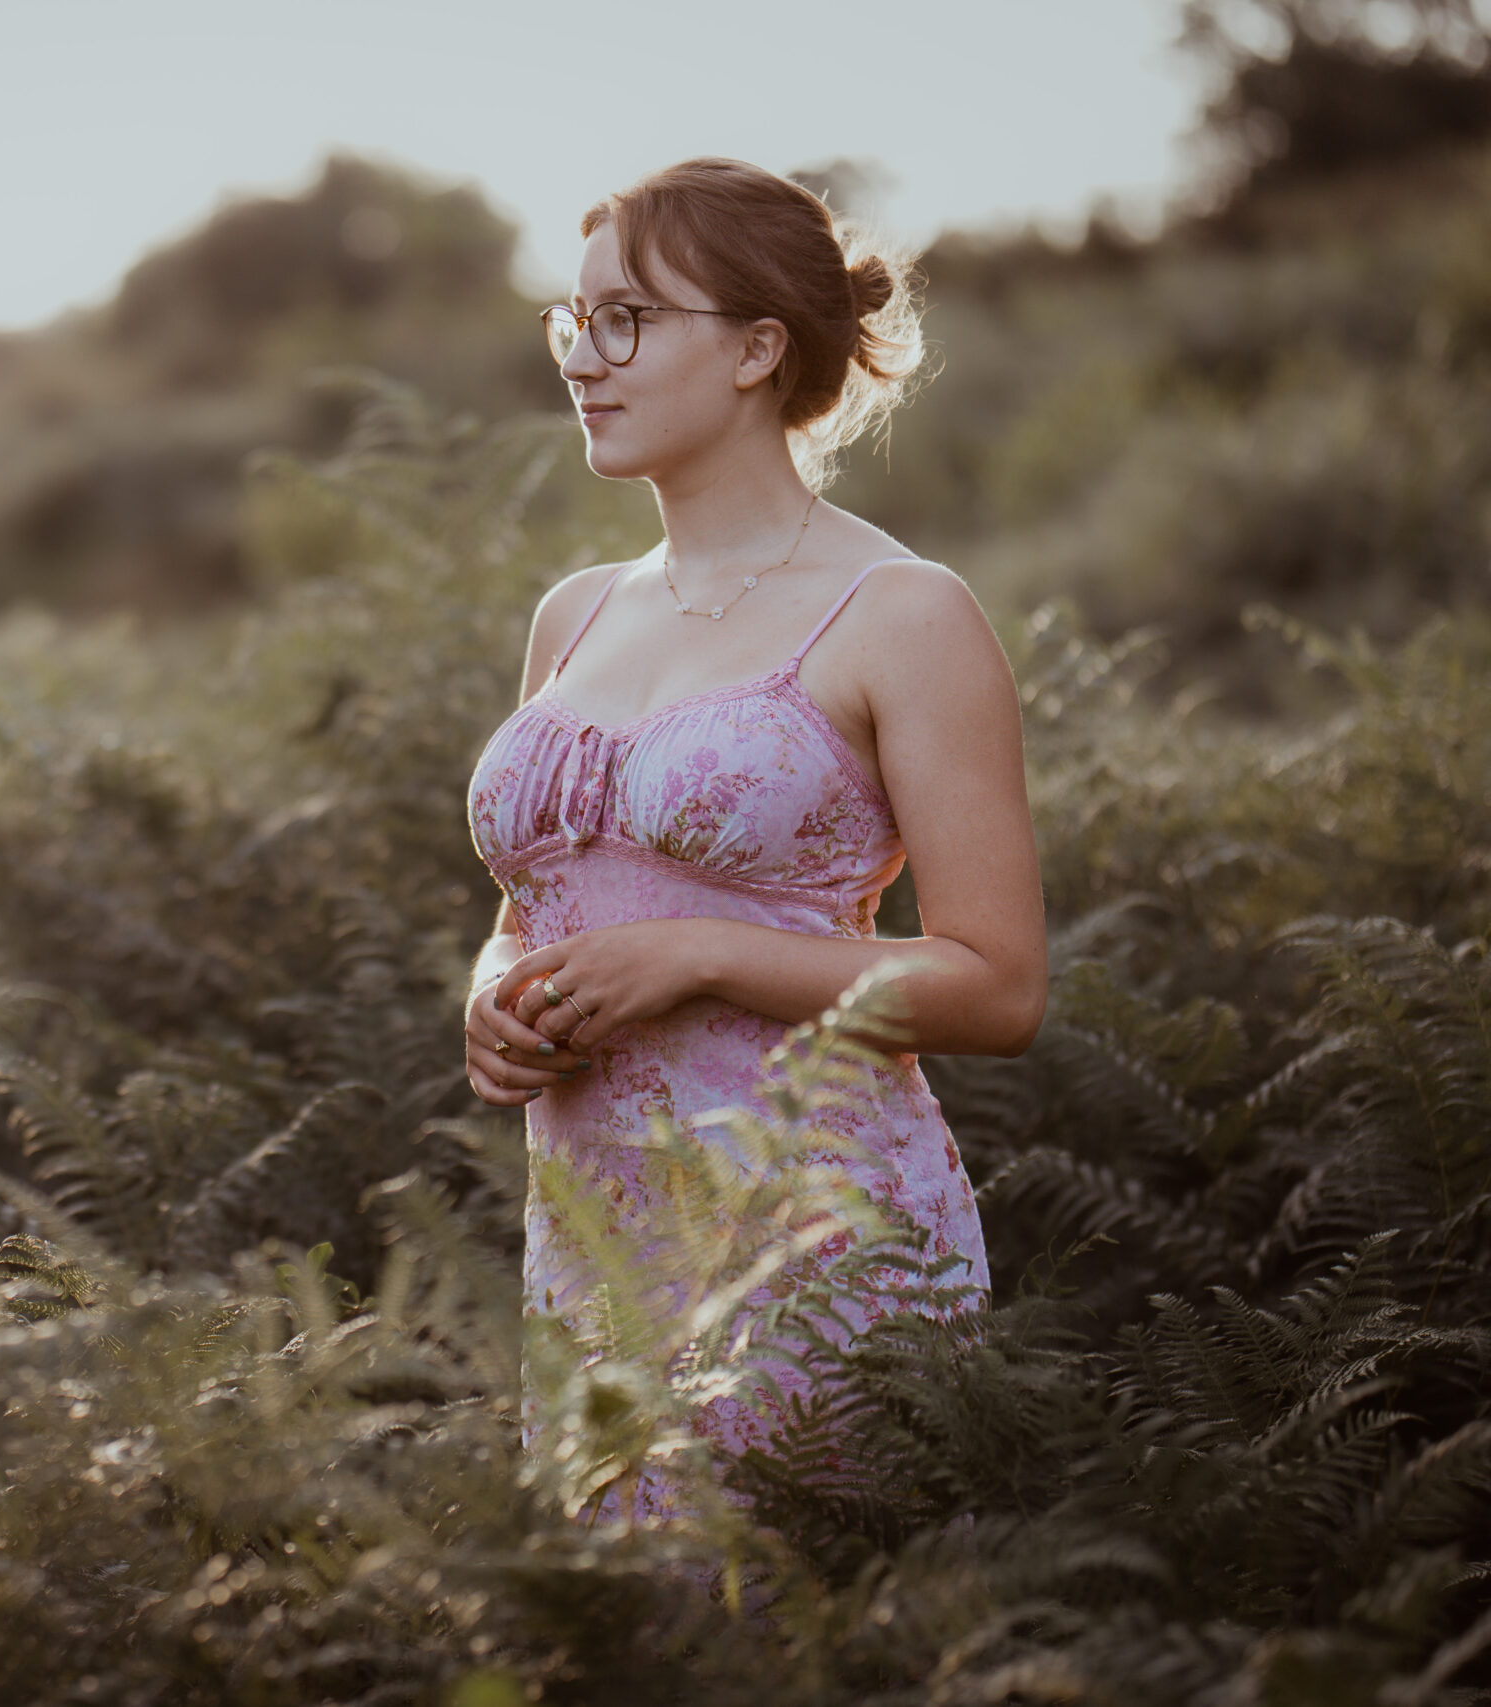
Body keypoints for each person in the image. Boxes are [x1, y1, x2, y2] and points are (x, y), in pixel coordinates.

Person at [461, 158, 1048, 1513]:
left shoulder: (904, 612)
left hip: (819, 1247)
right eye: (574, 319)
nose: (582, 358)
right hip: (595, 1260)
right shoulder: (575, 614)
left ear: (755, 349)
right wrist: (490, 998)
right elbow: (526, 917)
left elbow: (999, 986)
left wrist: (703, 954)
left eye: (626, 321)